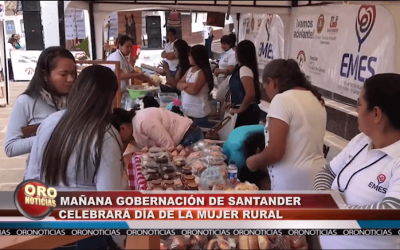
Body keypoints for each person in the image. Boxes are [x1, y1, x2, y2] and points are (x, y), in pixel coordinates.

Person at [25, 65, 125, 249]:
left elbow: (31, 178)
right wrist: (118, 243)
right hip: (88, 235)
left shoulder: (51, 121)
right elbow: (109, 200)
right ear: (110, 96)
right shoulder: (105, 134)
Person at [314, 73, 400, 249]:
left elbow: (391, 217)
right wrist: (324, 197)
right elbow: (327, 171)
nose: (356, 110)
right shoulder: (361, 141)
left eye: (359, 104)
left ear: (376, 114)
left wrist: (334, 210)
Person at [246, 59, 327, 191]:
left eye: (266, 88)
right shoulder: (315, 99)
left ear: (272, 82)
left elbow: (276, 151)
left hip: (292, 184)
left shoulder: (282, 99)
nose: (267, 94)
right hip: (318, 179)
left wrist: (254, 161)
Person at [5, 47, 76, 159]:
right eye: (64, 74)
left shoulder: (78, 100)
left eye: (73, 73)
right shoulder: (26, 102)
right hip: (41, 173)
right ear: (45, 75)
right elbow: (11, 147)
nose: (70, 79)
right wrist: (48, 137)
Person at [111, 108, 204, 153]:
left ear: (123, 128)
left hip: (190, 136)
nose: (120, 139)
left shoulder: (144, 122)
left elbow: (169, 146)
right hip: (181, 141)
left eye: (118, 135)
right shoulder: (130, 132)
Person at [226, 40, 261, 128]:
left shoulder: (244, 69)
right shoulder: (243, 68)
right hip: (244, 111)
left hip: (246, 114)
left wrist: (240, 109)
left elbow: (250, 94)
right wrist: (234, 103)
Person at [177, 45, 214, 128]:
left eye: (190, 55)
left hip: (198, 113)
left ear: (197, 57)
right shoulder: (190, 70)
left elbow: (194, 91)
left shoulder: (202, 73)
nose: (188, 57)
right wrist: (188, 85)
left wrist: (185, 86)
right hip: (187, 111)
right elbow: (178, 85)